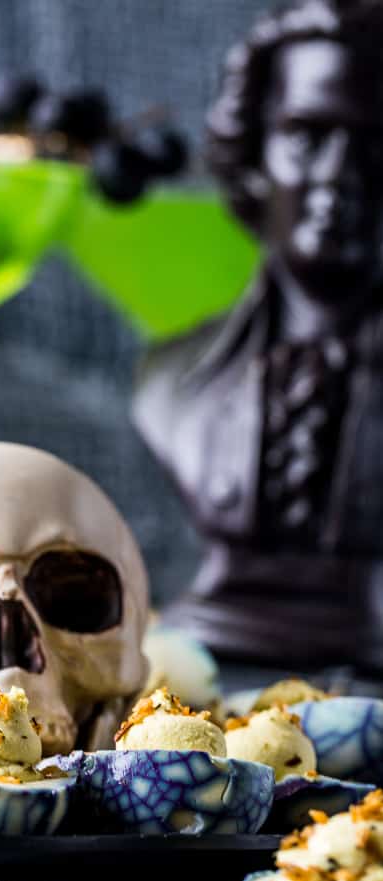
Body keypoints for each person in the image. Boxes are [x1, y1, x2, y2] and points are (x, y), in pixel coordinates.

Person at [133, 0, 383, 667]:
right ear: (252, 152)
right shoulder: (173, 379)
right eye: (306, 135)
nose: (337, 179)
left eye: (375, 144)